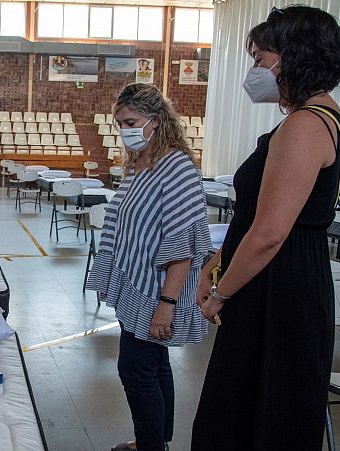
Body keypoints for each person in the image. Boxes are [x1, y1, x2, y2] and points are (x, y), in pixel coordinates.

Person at [192, 6, 340, 450]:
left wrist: (222, 293)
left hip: (281, 286)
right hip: (276, 278)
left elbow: (270, 232)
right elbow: (257, 217)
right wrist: (219, 263)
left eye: (261, 58)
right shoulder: (313, 117)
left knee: (264, 413)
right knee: (243, 406)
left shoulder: (306, 124)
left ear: (293, 58)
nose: (255, 70)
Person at [88, 83, 211, 451]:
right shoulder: (140, 165)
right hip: (135, 285)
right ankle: (155, 440)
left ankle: (150, 446)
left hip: (157, 291)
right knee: (155, 364)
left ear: (155, 122)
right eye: (119, 122)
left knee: (136, 370)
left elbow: (183, 243)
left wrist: (166, 304)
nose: (124, 130)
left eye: (131, 121)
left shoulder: (177, 167)